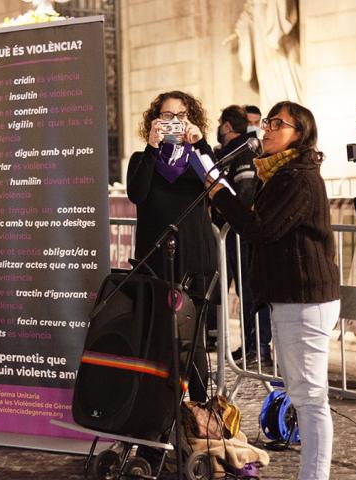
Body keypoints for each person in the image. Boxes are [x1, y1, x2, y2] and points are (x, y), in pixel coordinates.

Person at [208, 101, 340, 480]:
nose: (266, 129)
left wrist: (219, 194)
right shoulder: (278, 173)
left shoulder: (298, 176)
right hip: (289, 296)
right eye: (267, 122)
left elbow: (261, 228)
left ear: (299, 133)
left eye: (277, 124)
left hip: (306, 298)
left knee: (312, 399)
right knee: (302, 394)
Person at [127, 91, 217, 402]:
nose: (173, 122)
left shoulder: (198, 158)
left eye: (180, 115)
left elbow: (219, 184)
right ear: (154, 120)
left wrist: (201, 144)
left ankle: (201, 409)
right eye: (166, 116)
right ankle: (158, 412)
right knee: (157, 338)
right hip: (156, 258)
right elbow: (136, 194)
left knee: (194, 340)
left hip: (194, 257)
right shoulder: (143, 160)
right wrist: (151, 148)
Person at [215, 105, 271, 365]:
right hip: (234, 231)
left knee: (250, 291)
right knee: (243, 292)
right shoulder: (231, 153)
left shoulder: (243, 152)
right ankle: (251, 345)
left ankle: (258, 347)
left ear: (227, 126)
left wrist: (232, 214)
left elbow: (246, 192)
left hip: (241, 232)